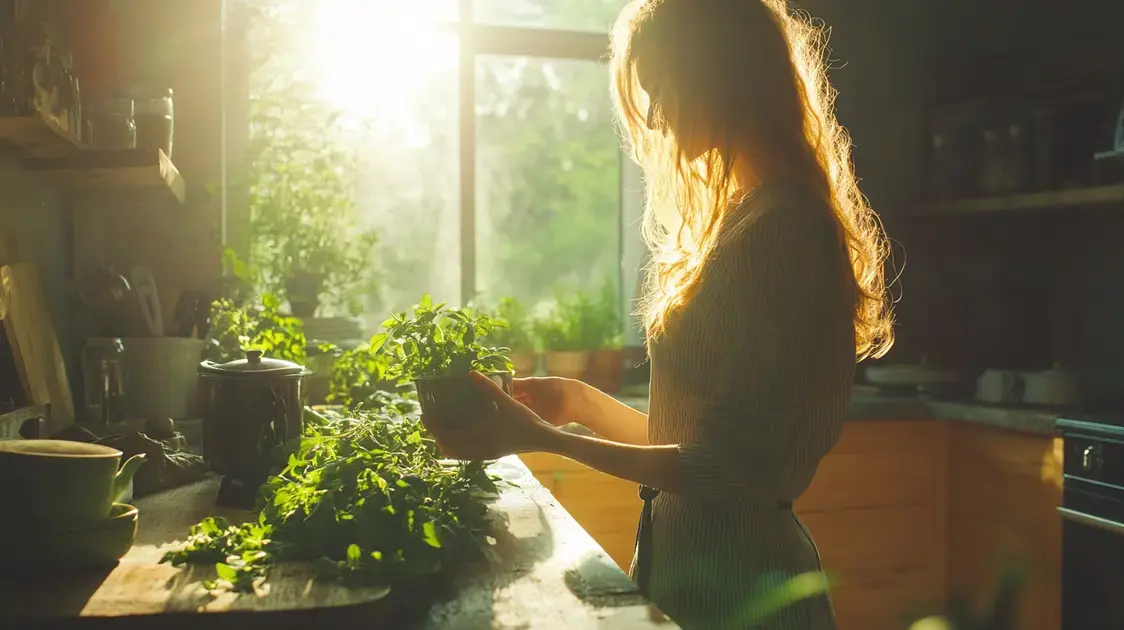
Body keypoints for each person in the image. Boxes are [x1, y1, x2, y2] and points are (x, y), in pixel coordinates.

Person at [421, 0, 895, 627]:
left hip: (745, 590)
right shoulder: (747, 221)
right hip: (694, 573)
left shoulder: (784, 232)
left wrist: (540, 438)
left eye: (661, 87)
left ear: (717, 74)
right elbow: (697, 448)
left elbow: (724, 469)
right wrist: (578, 403)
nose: (655, 114)